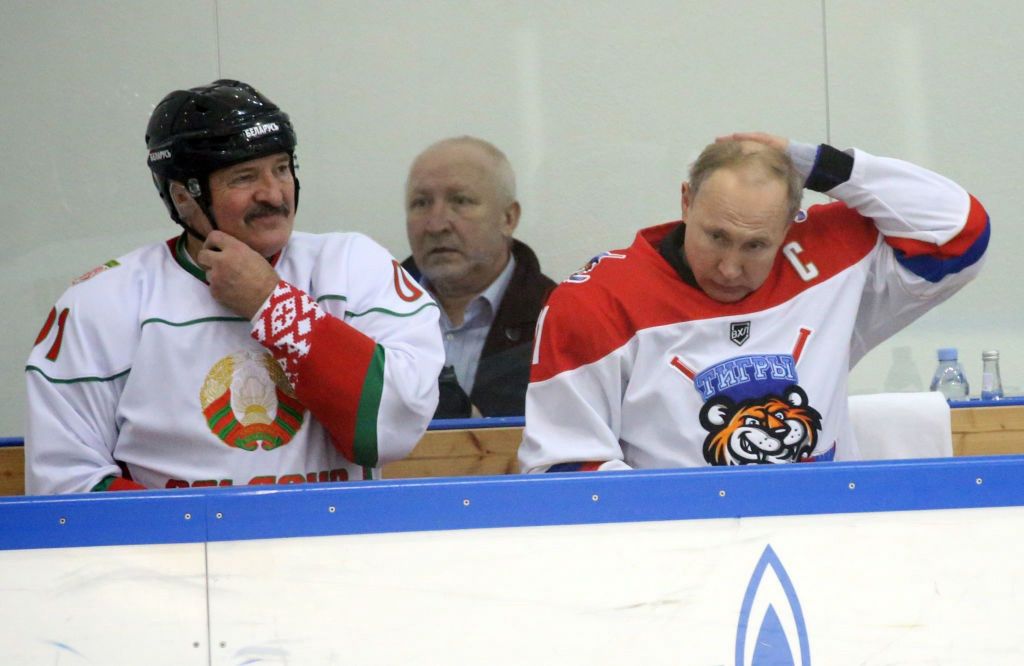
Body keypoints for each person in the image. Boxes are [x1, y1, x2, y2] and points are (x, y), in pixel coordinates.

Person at [24, 80, 444, 494]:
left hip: (336, 557)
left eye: (282, 168)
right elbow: (65, 485)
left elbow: (389, 430)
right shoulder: (101, 302)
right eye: (244, 177)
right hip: (175, 560)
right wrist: (202, 545)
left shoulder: (354, 267)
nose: (274, 193)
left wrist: (274, 305)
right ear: (183, 198)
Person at [519, 132, 989, 472]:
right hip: (672, 554)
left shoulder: (831, 263)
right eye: (716, 236)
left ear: (789, 226)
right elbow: (565, 464)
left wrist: (821, 164)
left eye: (755, 246)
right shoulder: (595, 302)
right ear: (686, 203)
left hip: (826, 538)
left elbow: (958, 233)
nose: (728, 267)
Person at [402, 137, 556, 418]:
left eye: (460, 201)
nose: (436, 225)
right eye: (421, 203)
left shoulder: (557, 320)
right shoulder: (369, 319)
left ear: (508, 218)